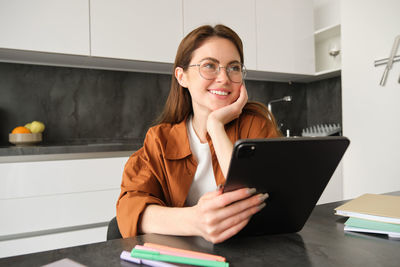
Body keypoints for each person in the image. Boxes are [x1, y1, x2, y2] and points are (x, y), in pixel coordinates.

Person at [117, 24, 281, 244]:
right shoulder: (160, 139)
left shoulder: (256, 127)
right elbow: (130, 206)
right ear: (181, 76)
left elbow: (265, 204)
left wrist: (215, 126)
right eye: (210, 65)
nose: (224, 78)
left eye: (233, 67)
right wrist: (195, 220)